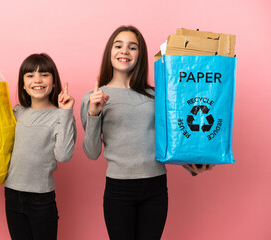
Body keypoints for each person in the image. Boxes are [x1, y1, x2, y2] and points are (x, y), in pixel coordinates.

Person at [80, 25, 212, 240]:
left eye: (133, 47)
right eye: (118, 45)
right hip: (119, 189)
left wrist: (193, 165)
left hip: (156, 187)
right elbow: (92, 152)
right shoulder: (94, 98)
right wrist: (93, 114)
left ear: (140, 56)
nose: (125, 51)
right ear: (109, 52)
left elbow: (171, 139)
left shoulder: (157, 95)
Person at [4, 53, 76, 240]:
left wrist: (66, 112)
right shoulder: (17, 112)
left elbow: (64, 155)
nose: (37, 79)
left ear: (53, 82)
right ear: (23, 84)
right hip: (12, 194)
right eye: (30, 75)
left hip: (41, 199)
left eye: (44, 74)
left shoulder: (61, 116)